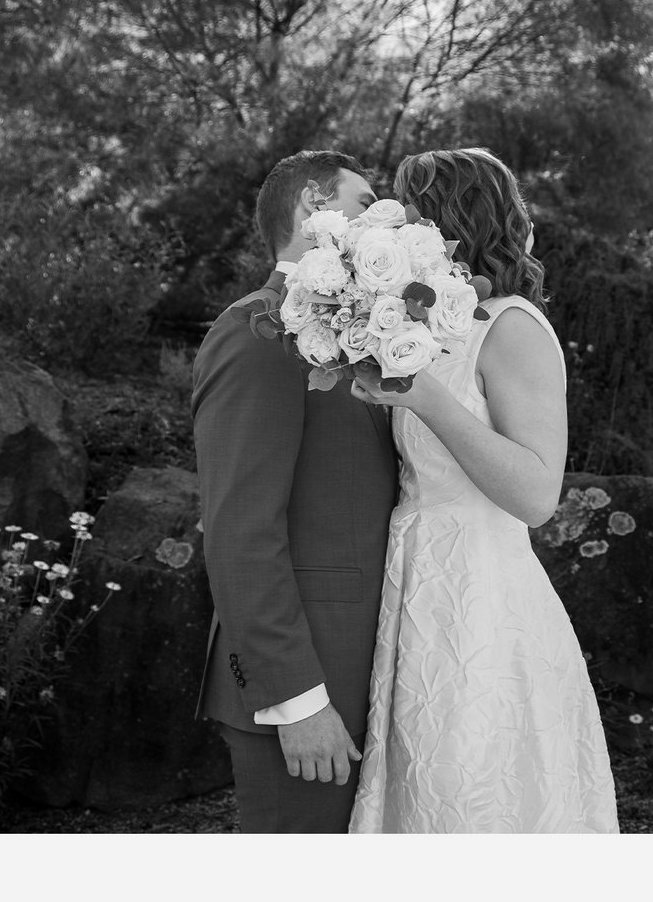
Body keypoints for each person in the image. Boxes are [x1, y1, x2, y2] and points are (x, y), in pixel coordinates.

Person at [345, 147, 619, 833]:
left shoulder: (512, 325)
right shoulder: (432, 324)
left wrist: (428, 400)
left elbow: (536, 494)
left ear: (451, 221)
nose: (395, 224)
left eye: (409, 211)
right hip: (416, 579)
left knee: (468, 787)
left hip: (481, 597)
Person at [191, 149, 400, 833]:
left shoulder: (368, 332)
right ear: (315, 202)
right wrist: (299, 701)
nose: (385, 220)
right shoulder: (256, 331)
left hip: (378, 665)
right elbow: (240, 533)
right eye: (365, 202)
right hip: (310, 685)